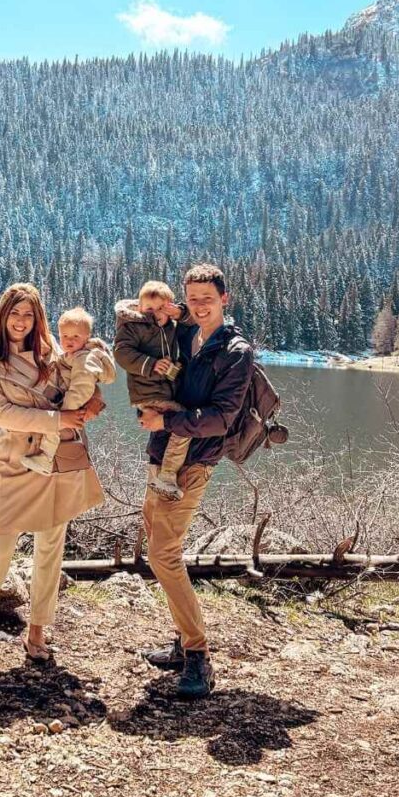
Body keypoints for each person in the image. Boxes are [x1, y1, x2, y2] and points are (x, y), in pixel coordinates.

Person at [0, 283, 105, 661]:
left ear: (38, 319)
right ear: (3, 316)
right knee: (1, 543)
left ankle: (37, 631)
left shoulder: (52, 352)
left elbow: (82, 381)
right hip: (17, 460)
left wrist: (93, 402)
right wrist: (59, 417)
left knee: (50, 544)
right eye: (15, 313)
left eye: (28, 315)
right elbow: (3, 415)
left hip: (56, 457)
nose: (21, 321)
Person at [137, 264, 253, 698]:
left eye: (209, 298)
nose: (201, 306)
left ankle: (198, 655)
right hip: (160, 453)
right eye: (194, 298)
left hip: (195, 461)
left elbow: (222, 419)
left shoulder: (235, 352)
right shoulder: (184, 333)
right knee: (156, 540)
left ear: (225, 299)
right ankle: (183, 641)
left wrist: (166, 418)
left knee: (163, 553)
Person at [113, 281, 193, 501]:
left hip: (163, 390)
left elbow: (193, 320)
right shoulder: (134, 325)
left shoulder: (171, 327)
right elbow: (121, 353)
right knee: (182, 423)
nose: (155, 314)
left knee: (162, 431)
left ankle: (155, 476)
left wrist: (180, 312)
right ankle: (166, 475)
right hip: (148, 392)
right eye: (149, 309)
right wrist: (150, 364)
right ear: (140, 308)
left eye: (161, 309)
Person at [23, 306, 115, 475]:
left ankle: (45, 458)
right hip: (66, 403)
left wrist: (67, 409)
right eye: (64, 336)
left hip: (71, 405)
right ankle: (46, 458)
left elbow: (83, 386)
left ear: (87, 337)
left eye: (75, 336)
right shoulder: (72, 354)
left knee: (54, 429)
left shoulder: (83, 357)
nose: (68, 340)